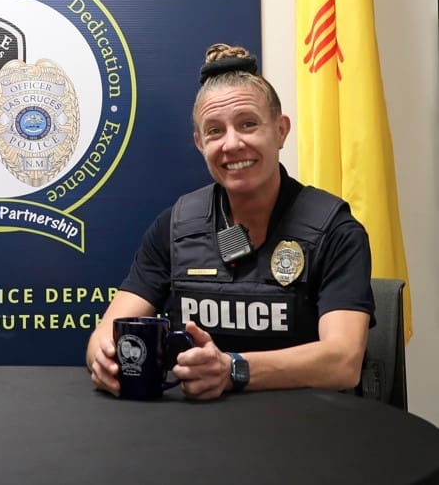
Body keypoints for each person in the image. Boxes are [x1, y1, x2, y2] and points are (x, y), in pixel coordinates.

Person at [86, 43, 374, 400]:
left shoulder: (335, 230)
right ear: (199, 143)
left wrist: (233, 368)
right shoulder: (174, 226)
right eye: (215, 131)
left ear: (281, 130)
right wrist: (103, 356)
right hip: (193, 434)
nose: (232, 144)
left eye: (248, 124)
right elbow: (106, 333)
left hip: (305, 433)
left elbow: (343, 360)